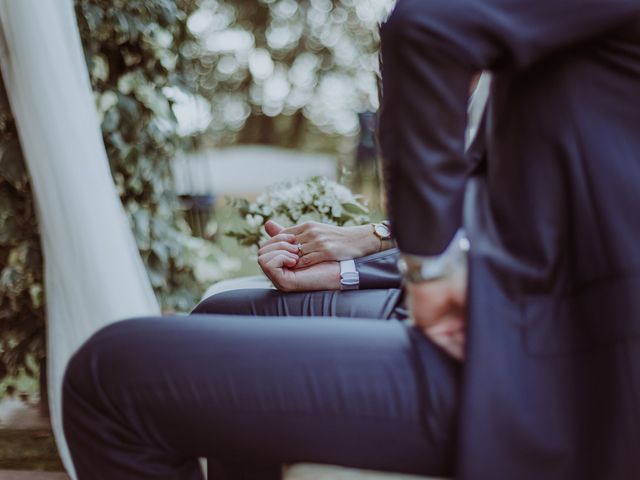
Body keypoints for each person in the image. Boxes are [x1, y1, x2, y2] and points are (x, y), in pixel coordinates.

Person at [62, 2, 640, 480]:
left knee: (108, 377)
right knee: (219, 308)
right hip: (526, 314)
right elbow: (519, 204)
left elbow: (427, 28)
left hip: (553, 367)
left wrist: (429, 274)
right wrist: (356, 258)